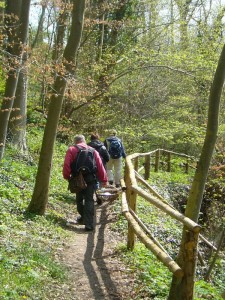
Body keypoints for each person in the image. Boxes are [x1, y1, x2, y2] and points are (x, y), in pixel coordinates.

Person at [63, 134, 107, 231]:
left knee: (79, 200)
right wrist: (104, 179)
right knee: (89, 200)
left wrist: (66, 176)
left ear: (75, 141)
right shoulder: (93, 150)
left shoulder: (71, 149)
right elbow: (100, 165)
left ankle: (83, 217)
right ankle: (89, 224)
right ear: (84, 140)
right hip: (90, 178)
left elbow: (66, 164)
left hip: (77, 178)